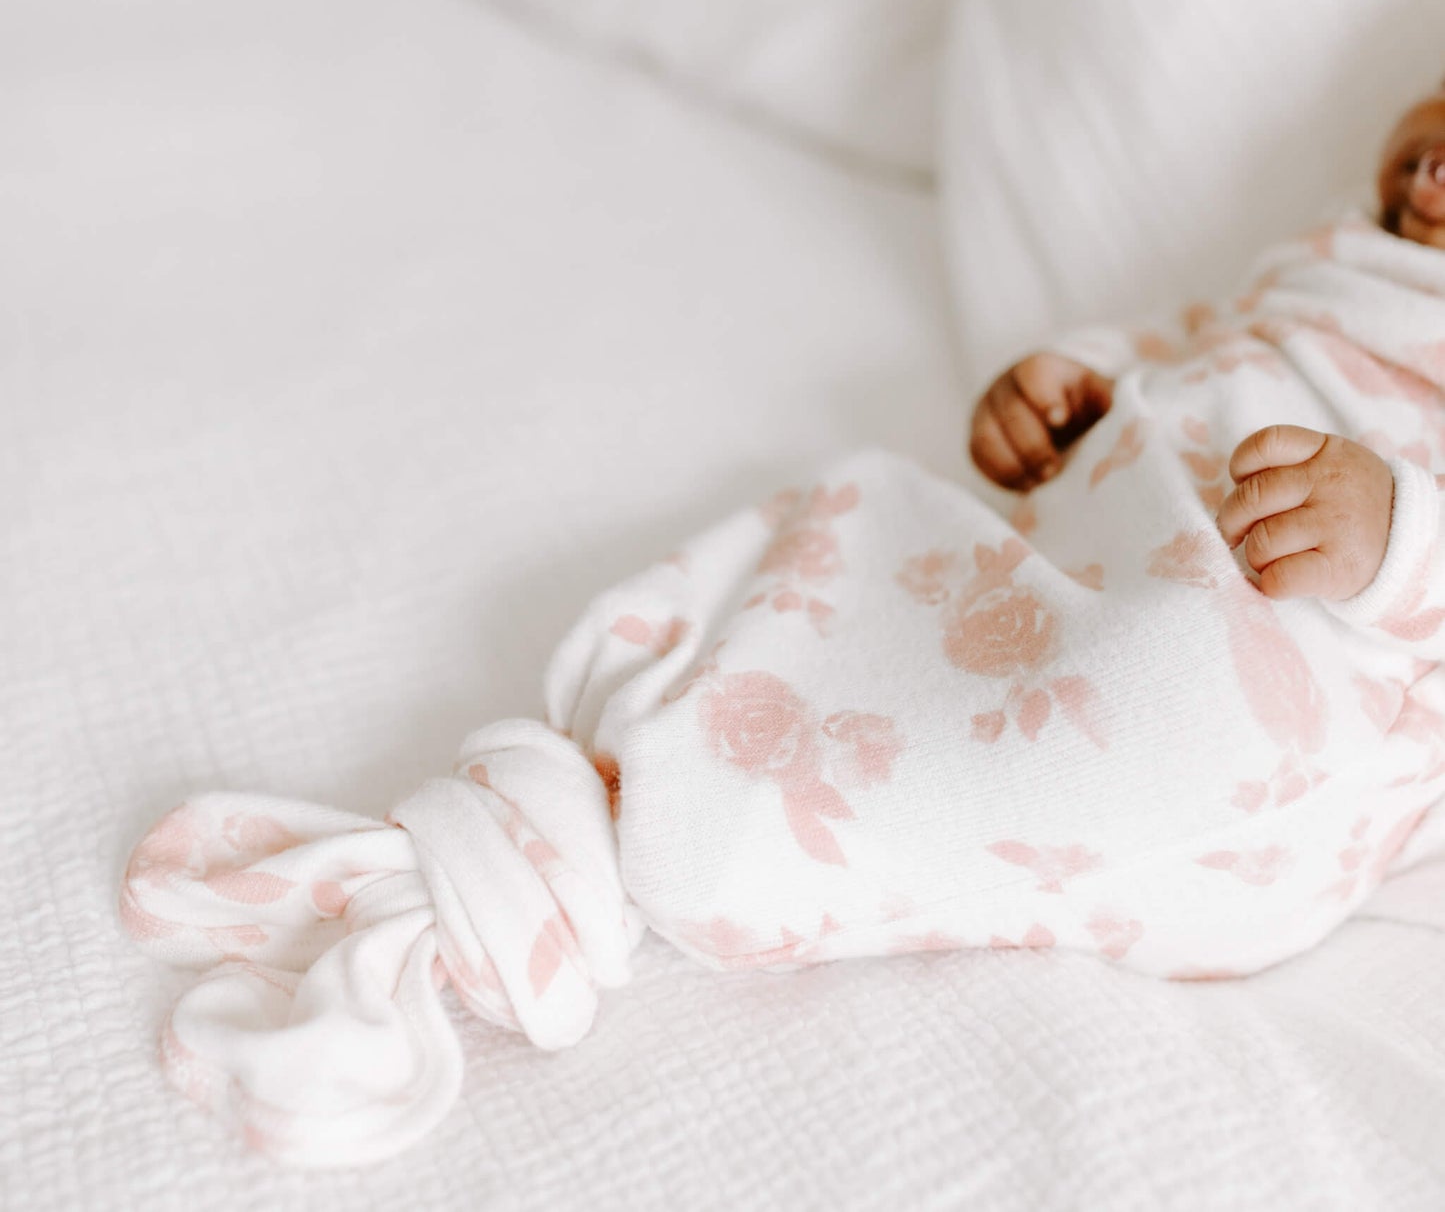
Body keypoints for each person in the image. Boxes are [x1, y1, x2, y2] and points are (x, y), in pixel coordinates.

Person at [120, 85, 1445, 1166]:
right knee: (874, 556)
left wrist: (1394, 534)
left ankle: (683, 835)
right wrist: (1074, 387)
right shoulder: (1335, 248)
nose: (1440, 151)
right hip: (1098, 545)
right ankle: (643, 771)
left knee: (1176, 719)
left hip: (1296, 674)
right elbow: (1199, 341)